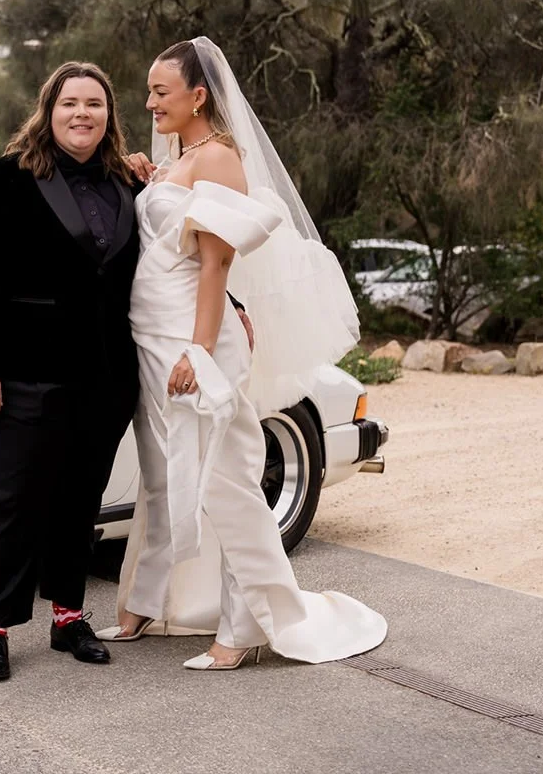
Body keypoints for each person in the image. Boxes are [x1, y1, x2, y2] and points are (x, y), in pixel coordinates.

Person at [98, 37, 387, 669]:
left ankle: (246, 625)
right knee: (162, 474)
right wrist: (147, 175)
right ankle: (150, 599)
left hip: (192, 342)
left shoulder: (221, 158)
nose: (148, 103)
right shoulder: (182, 155)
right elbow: (165, 235)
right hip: (150, 337)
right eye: (147, 92)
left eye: (161, 92)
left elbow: (216, 262)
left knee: (224, 479)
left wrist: (201, 349)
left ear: (198, 95)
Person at [0, 61, 142, 682]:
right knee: (14, 501)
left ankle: (67, 617)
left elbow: (176, 263)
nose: (82, 113)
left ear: (109, 115)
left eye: (95, 103)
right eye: (70, 103)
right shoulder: (2, 179)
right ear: (48, 109)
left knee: (79, 501)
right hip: (21, 374)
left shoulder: (129, 186)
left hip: (106, 378)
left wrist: (235, 307)